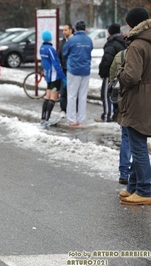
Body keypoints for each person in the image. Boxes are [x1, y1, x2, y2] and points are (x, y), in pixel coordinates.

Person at [117, 7, 151, 205]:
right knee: (138, 144)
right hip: (147, 98)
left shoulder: (137, 45)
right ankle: (133, 185)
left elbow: (131, 76)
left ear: (133, 23)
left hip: (139, 100)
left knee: (137, 145)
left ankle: (145, 189)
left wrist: (120, 72)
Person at [62, 20, 93, 127]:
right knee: (83, 96)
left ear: (75, 28)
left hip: (73, 70)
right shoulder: (89, 40)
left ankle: (72, 120)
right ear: (85, 28)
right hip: (86, 70)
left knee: (72, 95)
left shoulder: (71, 40)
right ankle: (81, 120)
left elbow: (64, 53)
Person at [95, 23, 126, 123]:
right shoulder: (123, 42)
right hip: (121, 73)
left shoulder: (111, 43)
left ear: (110, 32)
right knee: (117, 95)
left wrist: (103, 73)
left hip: (110, 74)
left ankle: (107, 115)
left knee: (106, 95)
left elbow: (107, 60)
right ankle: (116, 115)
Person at [109, 49, 131, 185]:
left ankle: (124, 173)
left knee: (126, 136)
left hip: (123, 101)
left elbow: (112, 78)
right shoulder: (146, 51)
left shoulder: (120, 55)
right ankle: (139, 175)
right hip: (142, 103)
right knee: (139, 140)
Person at [39, 30, 66, 123]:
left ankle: (43, 117)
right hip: (55, 76)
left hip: (48, 76)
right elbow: (56, 63)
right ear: (50, 38)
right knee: (53, 97)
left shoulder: (41, 48)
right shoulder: (51, 49)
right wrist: (62, 76)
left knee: (48, 95)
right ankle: (48, 118)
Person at [58, 24, 74, 118]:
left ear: (71, 30)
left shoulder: (74, 41)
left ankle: (72, 110)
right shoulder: (62, 42)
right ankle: (63, 109)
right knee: (63, 90)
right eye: (63, 30)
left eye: (65, 30)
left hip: (72, 69)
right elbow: (60, 54)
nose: (64, 32)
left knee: (72, 91)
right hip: (64, 69)